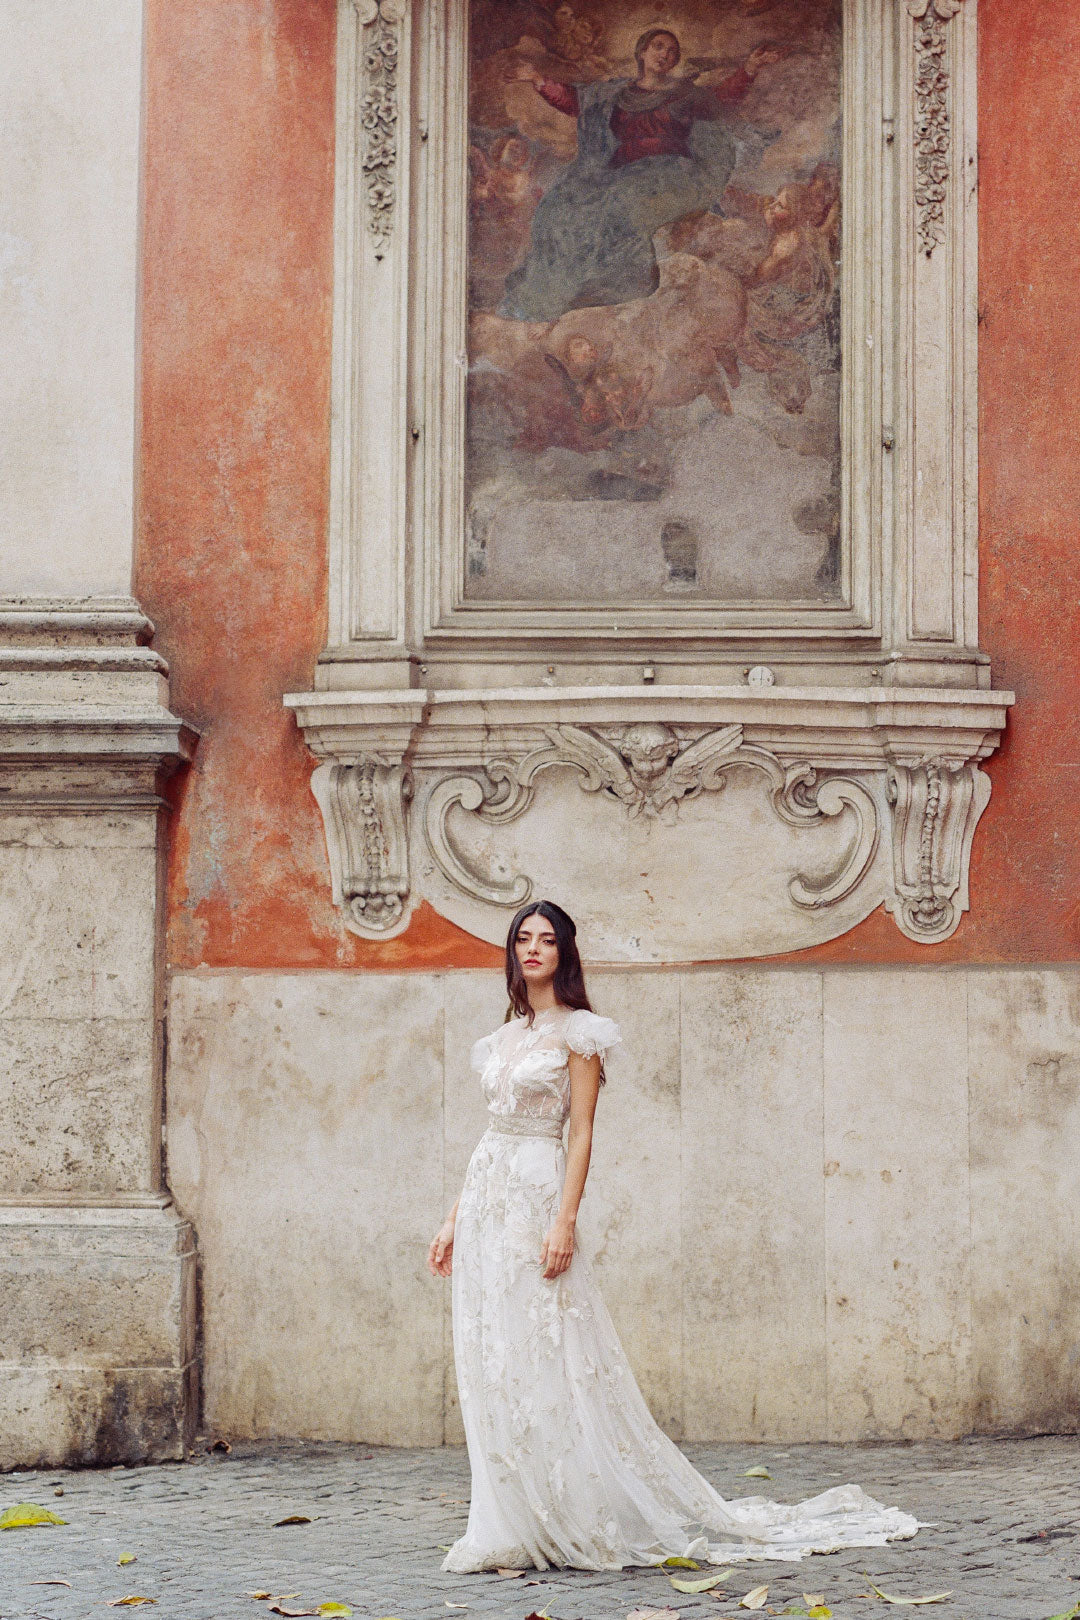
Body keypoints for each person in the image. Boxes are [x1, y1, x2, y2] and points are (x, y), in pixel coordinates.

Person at [428, 899, 919, 1572]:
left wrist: (564, 1219)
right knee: (496, 1356)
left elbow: (581, 1133)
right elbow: (490, 1133)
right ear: (512, 951)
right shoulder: (504, 1036)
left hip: (537, 1198)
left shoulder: (581, 1032)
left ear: (566, 954)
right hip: (488, 1202)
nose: (533, 948)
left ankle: (568, 1513)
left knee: (549, 1354)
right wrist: (455, 1217)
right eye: (523, 938)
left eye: (547, 939)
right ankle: (507, 1522)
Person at [500, 28, 779, 320]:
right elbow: (575, 101)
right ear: (642, 52)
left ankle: (625, 285)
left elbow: (721, 98)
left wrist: (750, 69)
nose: (665, 54)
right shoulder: (613, 94)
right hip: (620, 173)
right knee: (560, 206)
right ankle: (554, 292)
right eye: (658, 46)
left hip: (671, 173)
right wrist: (536, 78)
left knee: (619, 202)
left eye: (672, 52)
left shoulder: (684, 95)